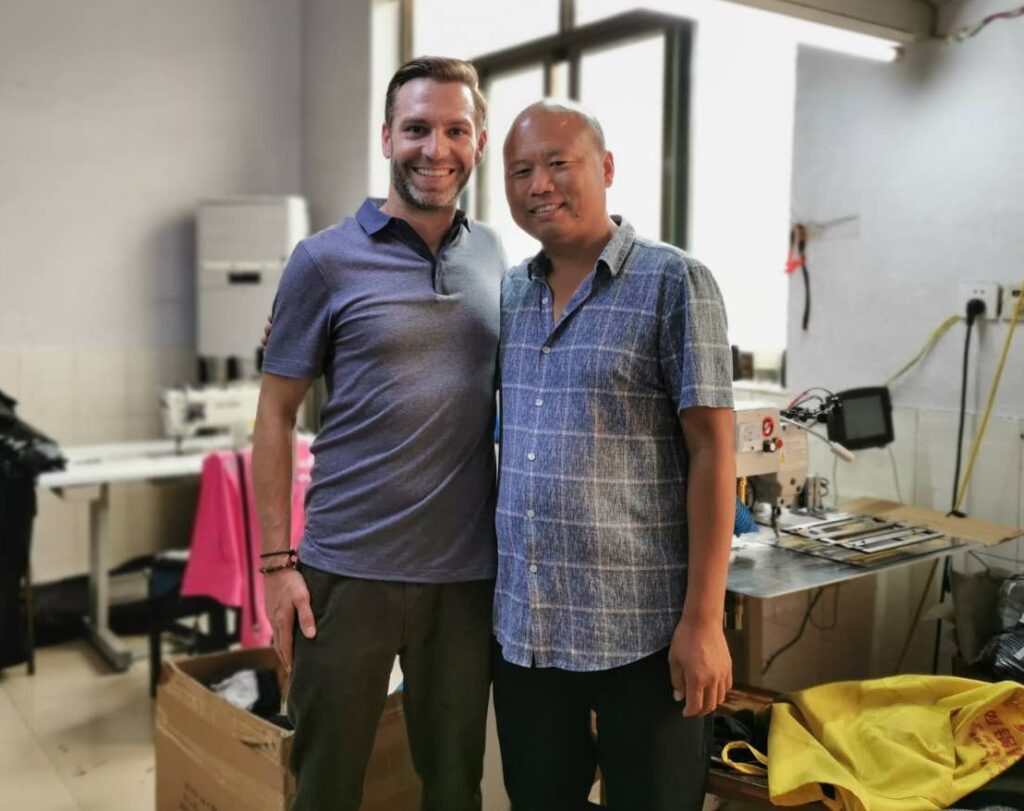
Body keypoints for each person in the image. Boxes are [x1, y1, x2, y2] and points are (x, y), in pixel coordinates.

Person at [252, 57, 505, 811]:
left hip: (462, 580)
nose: (437, 149)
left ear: (478, 142)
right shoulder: (323, 261)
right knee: (326, 785)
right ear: (387, 137)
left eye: (455, 130)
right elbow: (273, 414)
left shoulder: (495, 258)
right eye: (418, 129)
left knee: (454, 784)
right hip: (346, 575)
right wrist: (274, 566)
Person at [493, 100, 736, 811]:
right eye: (520, 171)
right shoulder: (509, 291)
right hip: (528, 628)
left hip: (644, 631)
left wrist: (705, 620)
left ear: (605, 167)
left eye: (557, 163)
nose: (539, 184)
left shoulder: (672, 283)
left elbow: (713, 452)